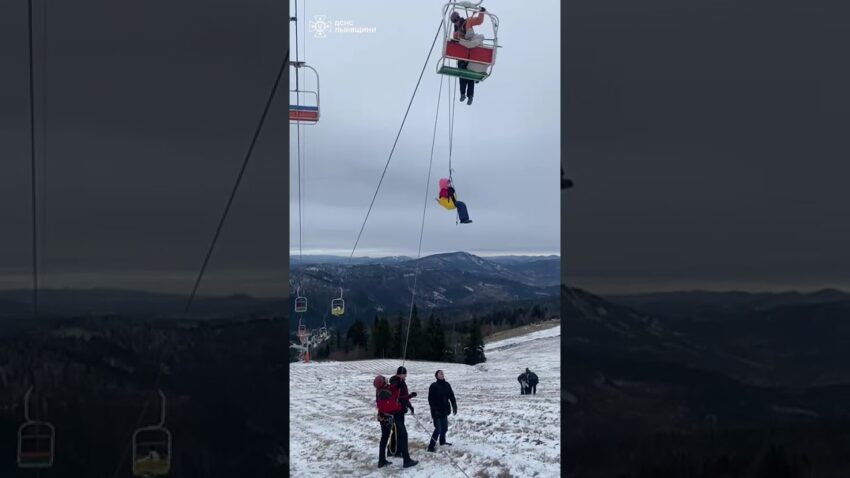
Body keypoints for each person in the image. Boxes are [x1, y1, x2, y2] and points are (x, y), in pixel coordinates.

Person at [449, 8, 486, 105]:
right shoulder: (455, 33)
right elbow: (456, 42)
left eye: (456, 20)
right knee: (462, 76)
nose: (455, 23)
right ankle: (462, 94)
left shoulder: (467, 22)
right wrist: (454, 41)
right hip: (463, 56)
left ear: (458, 18)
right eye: (454, 21)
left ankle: (470, 96)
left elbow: (479, 21)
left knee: (470, 76)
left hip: (471, 52)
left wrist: (481, 13)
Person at [388, 366, 419, 468]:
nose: (406, 376)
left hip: (401, 411)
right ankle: (406, 460)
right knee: (403, 434)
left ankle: (397, 452)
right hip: (396, 412)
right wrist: (410, 396)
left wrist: (410, 406)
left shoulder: (402, 382)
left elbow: (404, 396)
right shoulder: (395, 382)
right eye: (405, 374)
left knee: (400, 434)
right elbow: (396, 397)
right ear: (401, 373)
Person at [374, 375, 401, 468]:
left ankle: (382, 459)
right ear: (382, 382)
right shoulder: (384, 393)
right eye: (384, 380)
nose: (386, 380)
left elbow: (391, 389)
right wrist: (400, 407)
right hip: (386, 419)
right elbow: (392, 405)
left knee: (384, 438)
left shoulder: (383, 389)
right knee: (385, 438)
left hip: (383, 417)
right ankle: (381, 460)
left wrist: (397, 386)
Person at [427, 369, 458, 452]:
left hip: (444, 410)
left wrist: (454, 405)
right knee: (438, 429)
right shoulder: (433, 386)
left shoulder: (447, 385)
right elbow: (430, 400)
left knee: (444, 428)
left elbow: (451, 395)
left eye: (442, 373)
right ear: (436, 376)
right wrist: (434, 410)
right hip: (436, 411)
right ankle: (431, 446)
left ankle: (442, 441)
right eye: (440, 373)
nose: (442, 374)